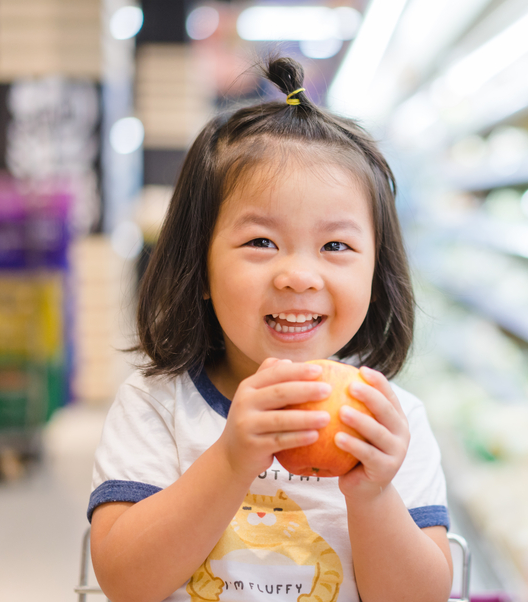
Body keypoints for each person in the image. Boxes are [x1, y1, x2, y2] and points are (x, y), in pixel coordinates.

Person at [87, 56, 453, 602]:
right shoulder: (158, 406)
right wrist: (232, 459)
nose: (299, 276)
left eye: (336, 246)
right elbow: (125, 582)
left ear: (377, 273)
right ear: (200, 267)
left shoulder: (388, 421)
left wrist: (374, 495)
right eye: (261, 242)